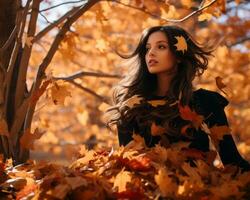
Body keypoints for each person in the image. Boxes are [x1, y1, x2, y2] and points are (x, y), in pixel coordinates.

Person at [105, 25, 250, 173]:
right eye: (147, 48)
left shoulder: (206, 101)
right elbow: (128, 166)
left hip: (198, 191)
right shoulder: (131, 106)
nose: (151, 53)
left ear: (179, 55)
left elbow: (233, 162)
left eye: (161, 47)